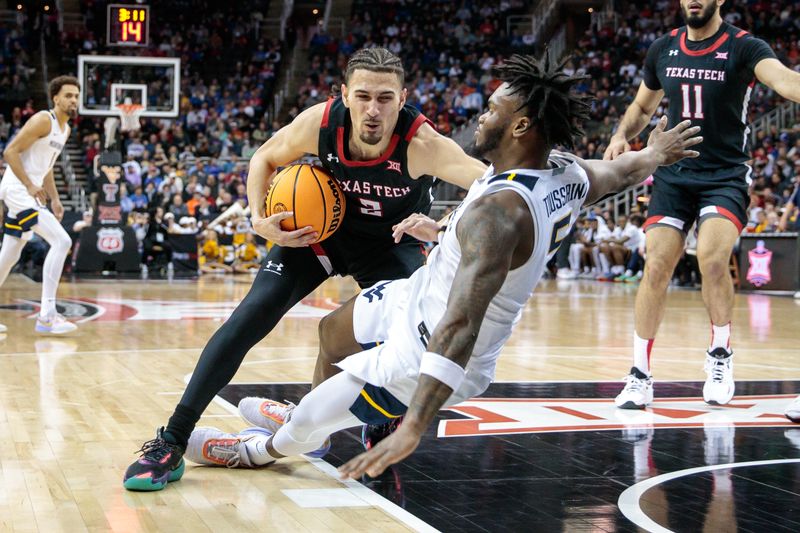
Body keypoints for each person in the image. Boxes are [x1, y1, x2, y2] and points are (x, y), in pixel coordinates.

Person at [179, 54, 701, 477]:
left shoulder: (500, 214)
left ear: (520, 124)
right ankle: (305, 416)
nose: (480, 115)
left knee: (306, 432)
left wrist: (415, 423)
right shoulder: (563, 171)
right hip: (418, 295)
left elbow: (459, 326)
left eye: (491, 110)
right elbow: (617, 170)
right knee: (332, 330)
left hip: (427, 346)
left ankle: (263, 448)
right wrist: (654, 154)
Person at [123, 47, 487, 491]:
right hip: (319, 232)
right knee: (248, 317)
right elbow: (263, 157)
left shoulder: (423, 144)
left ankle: (363, 419)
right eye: (364, 96)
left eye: (386, 98)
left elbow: (492, 186)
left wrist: (443, 223)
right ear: (344, 95)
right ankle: (172, 439)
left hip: (390, 245)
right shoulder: (320, 122)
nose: (373, 110)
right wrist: (259, 219)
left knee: (405, 344)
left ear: (404, 96)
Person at [604, 0, 800, 409]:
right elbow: (643, 106)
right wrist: (621, 135)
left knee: (712, 257)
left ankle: (720, 354)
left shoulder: (745, 47)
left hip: (725, 174)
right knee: (656, 262)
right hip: (675, 173)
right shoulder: (663, 48)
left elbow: (783, 82)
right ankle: (639, 374)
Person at [0, 76, 80, 335]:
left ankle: (47, 315)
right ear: (55, 98)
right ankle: (47, 315)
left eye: (76, 96)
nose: (73, 101)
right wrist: (29, 185)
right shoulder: (43, 120)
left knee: (9, 255)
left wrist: (55, 198)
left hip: (28, 193)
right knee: (62, 241)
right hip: (18, 191)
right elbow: (10, 152)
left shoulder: (65, 130)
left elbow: (47, 168)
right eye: (68, 96)